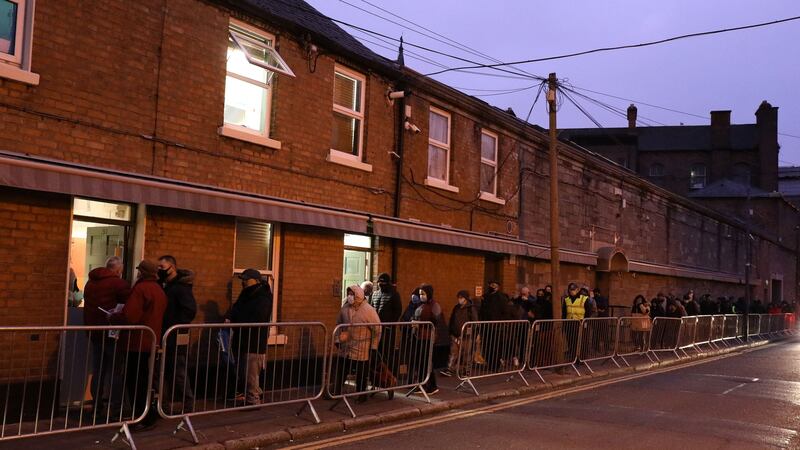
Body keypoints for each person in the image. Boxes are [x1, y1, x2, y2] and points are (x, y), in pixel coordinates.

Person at [108, 260, 167, 431]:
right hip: (151, 340)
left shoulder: (141, 289)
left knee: (135, 381)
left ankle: (142, 416)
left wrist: (113, 317)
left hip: (136, 341)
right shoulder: (159, 289)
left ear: (142, 272)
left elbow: (130, 316)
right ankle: (148, 414)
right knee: (145, 380)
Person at [83, 256, 131, 419]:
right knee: (116, 371)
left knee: (98, 370)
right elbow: (128, 305)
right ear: (118, 270)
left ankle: (97, 406)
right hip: (112, 333)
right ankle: (116, 408)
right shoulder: (119, 284)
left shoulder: (90, 283)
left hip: (95, 333)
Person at [226, 268, 273, 406]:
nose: (244, 282)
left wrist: (237, 319)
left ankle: (253, 401)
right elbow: (235, 310)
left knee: (250, 374)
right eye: (243, 279)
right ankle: (254, 394)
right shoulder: (246, 295)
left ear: (256, 280)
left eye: (246, 279)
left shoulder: (262, 296)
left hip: (254, 341)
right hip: (242, 339)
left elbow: (257, 317)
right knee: (244, 372)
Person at [158, 255, 197, 413]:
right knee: (164, 373)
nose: (159, 270)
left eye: (162, 267)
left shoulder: (180, 288)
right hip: (165, 335)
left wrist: (173, 324)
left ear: (172, 268)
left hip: (175, 335)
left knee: (178, 372)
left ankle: (188, 404)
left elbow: (190, 310)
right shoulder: (165, 286)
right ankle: (164, 406)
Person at [333, 285, 381, 403]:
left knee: (361, 373)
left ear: (358, 295)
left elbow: (377, 329)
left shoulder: (368, 310)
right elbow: (338, 324)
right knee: (341, 369)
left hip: (362, 347)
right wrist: (337, 340)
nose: (349, 296)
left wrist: (374, 347)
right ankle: (336, 391)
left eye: (352, 294)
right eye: (348, 293)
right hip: (347, 346)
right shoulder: (345, 308)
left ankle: (361, 395)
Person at [412, 284, 445, 394]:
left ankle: (432, 386)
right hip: (419, 336)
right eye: (420, 294)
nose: (421, 296)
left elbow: (437, 321)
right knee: (420, 362)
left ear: (429, 294)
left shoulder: (434, 305)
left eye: (423, 294)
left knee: (426, 362)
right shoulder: (421, 306)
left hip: (428, 338)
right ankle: (422, 384)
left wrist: (420, 324)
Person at [440, 290, 477, 377]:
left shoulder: (470, 309)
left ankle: (466, 370)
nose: (459, 299)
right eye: (459, 298)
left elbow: (474, 323)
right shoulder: (456, 307)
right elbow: (452, 319)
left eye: (461, 298)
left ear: (466, 298)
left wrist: (466, 334)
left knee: (466, 354)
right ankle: (450, 369)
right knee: (453, 352)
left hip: (466, 336)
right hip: (455, 334)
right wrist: (451, 332)